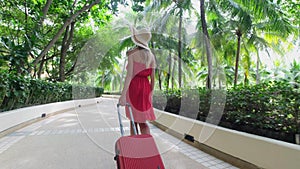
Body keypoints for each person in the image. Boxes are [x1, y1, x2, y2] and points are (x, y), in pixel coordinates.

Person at [119, 26, 156, 135]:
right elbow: (153, 79)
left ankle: (136, 147)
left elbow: (129, 75)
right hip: (146, 89)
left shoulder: (132, 53)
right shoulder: (151, 56)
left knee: (133, 120)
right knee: (143, 122)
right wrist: (150, 94)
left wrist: (123, 95)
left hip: (134, 87)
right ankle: (147, 146)